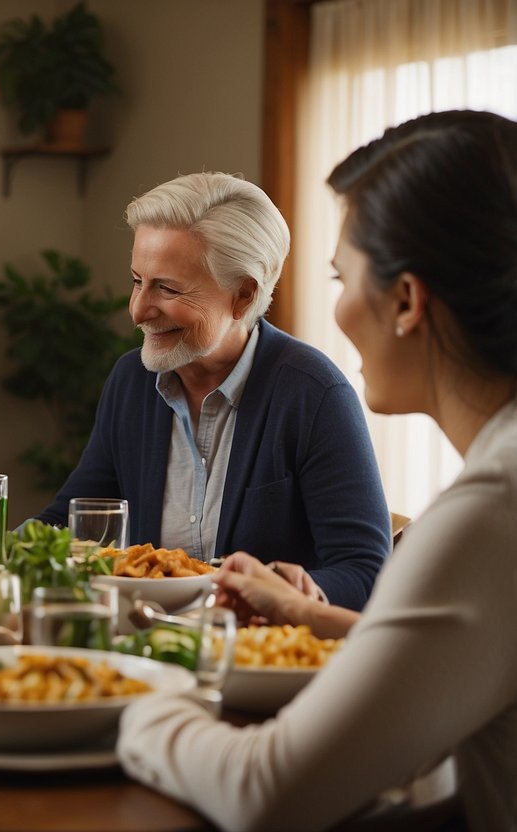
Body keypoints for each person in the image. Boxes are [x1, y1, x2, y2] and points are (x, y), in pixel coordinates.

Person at [117, 110, 517, 830]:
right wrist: (308, 616)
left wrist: (126, 693)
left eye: (340, 276)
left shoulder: (490, 512)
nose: (331, 309)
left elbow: (263, 793)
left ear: (404, 301)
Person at [32, 172, 391, 610]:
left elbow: (364, 571)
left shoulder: (314, 394)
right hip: (145, 649)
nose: (138, 310)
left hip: (258, 661)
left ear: (242, 296)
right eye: (136, 280)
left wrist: (293, 591)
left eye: (166, 287)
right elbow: (72, 521)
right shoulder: (131, 381)